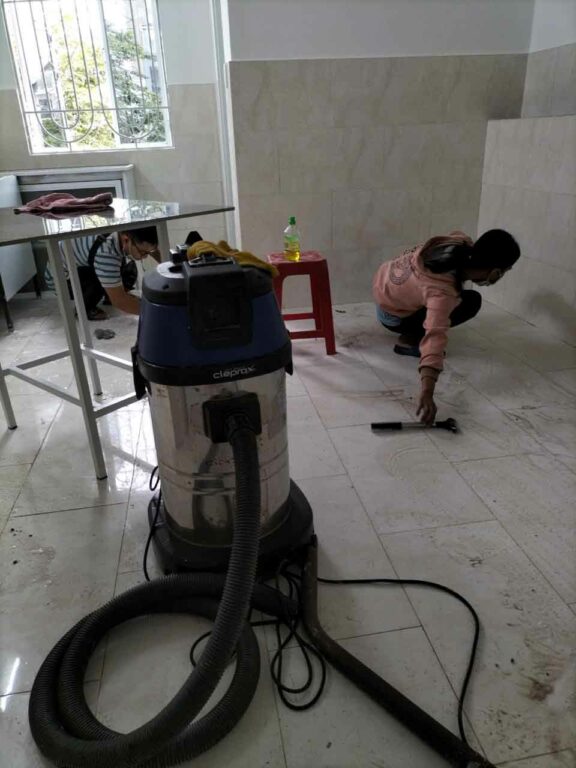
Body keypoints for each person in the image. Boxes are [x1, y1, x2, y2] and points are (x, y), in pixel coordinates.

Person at [373, 229, 521, 425]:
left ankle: (410, 319)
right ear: (495, 272)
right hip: (393, 316)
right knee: (470, 301)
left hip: (385, 286)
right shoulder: (440, 291)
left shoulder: (459, 243)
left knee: (455, 297)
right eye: (504, 272)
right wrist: (427, 392)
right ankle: (408, 340)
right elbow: (435, 336)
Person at [45, 227, 160, 319]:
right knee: (105, 276)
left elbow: (149, 248)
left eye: (148, 252)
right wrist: (157, 312)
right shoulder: (106, 253)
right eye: (143, 252)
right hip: (61, 283)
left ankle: (109, 294)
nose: (145, 257)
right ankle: (86, 309)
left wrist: (169, 264)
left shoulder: (123, 230)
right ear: (126, 240)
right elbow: (120, 301)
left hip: (79, 266)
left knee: (129, 268)